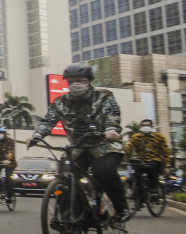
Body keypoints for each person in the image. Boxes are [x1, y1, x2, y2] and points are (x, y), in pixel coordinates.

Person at [26, 62, 128, 220]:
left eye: (80, 80)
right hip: (78, 148)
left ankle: (121, 209)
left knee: (103, 172)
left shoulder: (104, 96)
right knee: (65, 175)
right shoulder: (60, 102)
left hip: (104, 146)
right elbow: (48, 121)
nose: (75, 85)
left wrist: (112, 130)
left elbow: (112, 116)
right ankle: (68, 214)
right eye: (71, 81)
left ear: (89, 81)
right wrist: (37, 136)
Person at [125, 119, 171, 195]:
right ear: (140, 127)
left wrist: (167, 166)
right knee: (134, 173)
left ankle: (153, 188)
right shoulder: (136, 137)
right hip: (140, 161)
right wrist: (124, 157)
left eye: (147, 125)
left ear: (151, 126)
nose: (145, 127)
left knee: (150, 167)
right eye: (143, 125)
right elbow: (129, 148)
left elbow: (166, 152)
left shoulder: (159, 137)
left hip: (154, 161)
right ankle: (139, 194)